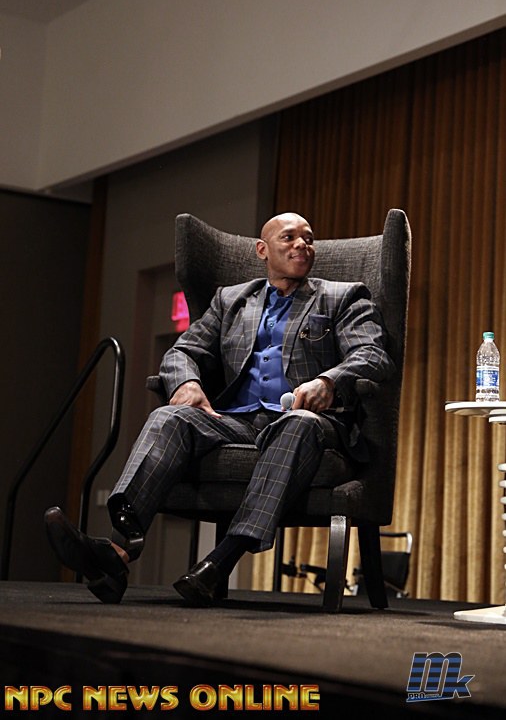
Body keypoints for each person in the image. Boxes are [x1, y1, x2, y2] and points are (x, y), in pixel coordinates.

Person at [45, 212, 395, 607]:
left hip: (314, 424)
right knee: (169, 417)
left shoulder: (342, 296)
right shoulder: (230, 300)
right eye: (289, 237)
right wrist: (188, 383)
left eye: (309, 238)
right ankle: (118, 550)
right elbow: (182, 352)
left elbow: (373, 355)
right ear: (262, 250)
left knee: (297, 423)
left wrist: (329, 381)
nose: (302, 244)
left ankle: (219, 562)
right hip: (237, 421)